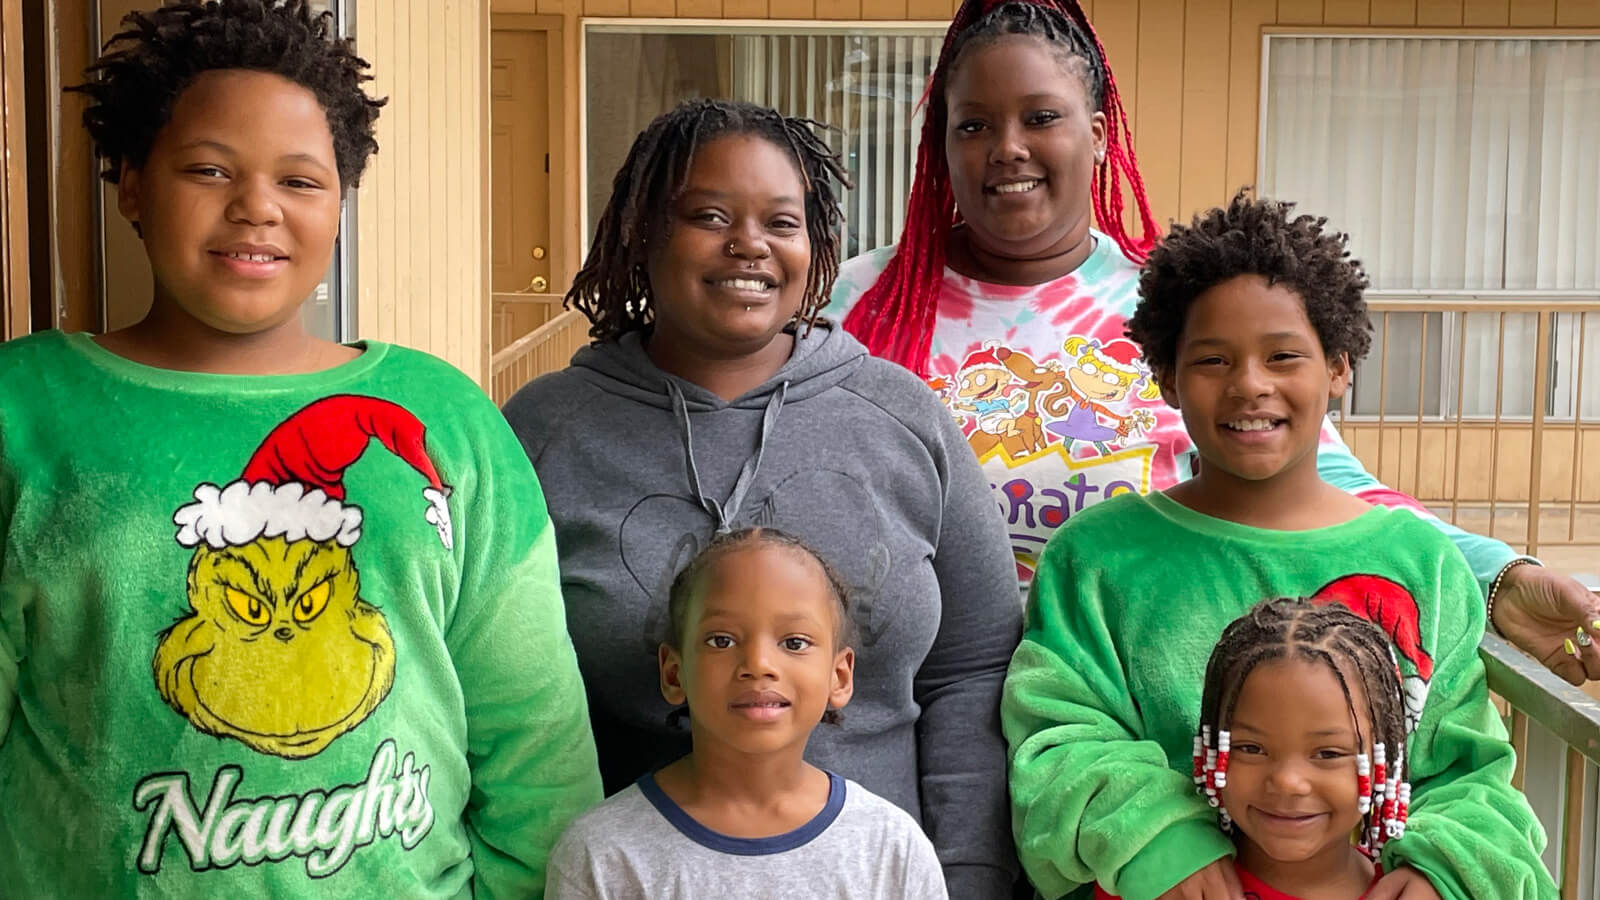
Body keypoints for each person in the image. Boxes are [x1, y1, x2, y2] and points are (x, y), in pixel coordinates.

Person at [0, 2, 601, 895]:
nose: (256, 208)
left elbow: (534, 735)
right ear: (130, 182)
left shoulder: (445, 416)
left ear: (341, 202)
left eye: (301, 181)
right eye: (208, 168)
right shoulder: (26, 410)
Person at [829, 0, 1600, 684]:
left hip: (1137, 709)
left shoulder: (1177, 305)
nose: (1008, 147)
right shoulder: (861, 304)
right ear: (942, 143)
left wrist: (1498, 577)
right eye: (974, 124)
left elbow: (1326, 485)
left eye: (1040, 117)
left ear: (1096, 135)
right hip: (915, 713)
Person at [502, 99, 1021, 897]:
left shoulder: (903, 417)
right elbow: (501, 692)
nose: (748, 243)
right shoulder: (543, 432)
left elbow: (974, 668)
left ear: (813, 248)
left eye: (781, 221)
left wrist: (968, 877)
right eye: (709, 215)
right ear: (644, 232)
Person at [1003, 191, 1554, 900]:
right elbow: (1055, 734)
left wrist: (1444, 868)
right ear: (1167, 377)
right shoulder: (1098, 558)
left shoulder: (1421, 562)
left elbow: (1469, 770)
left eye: (1284, 355)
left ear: (1339, 367)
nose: (1250, 385)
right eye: (1212, 361)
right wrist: (1154, 834)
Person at [546, 528, 948, 899]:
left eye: (794, 642)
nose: (758, 663)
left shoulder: (891, 850)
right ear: (674, 672)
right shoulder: (603, 855)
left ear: (839, 676)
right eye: (722, 640)